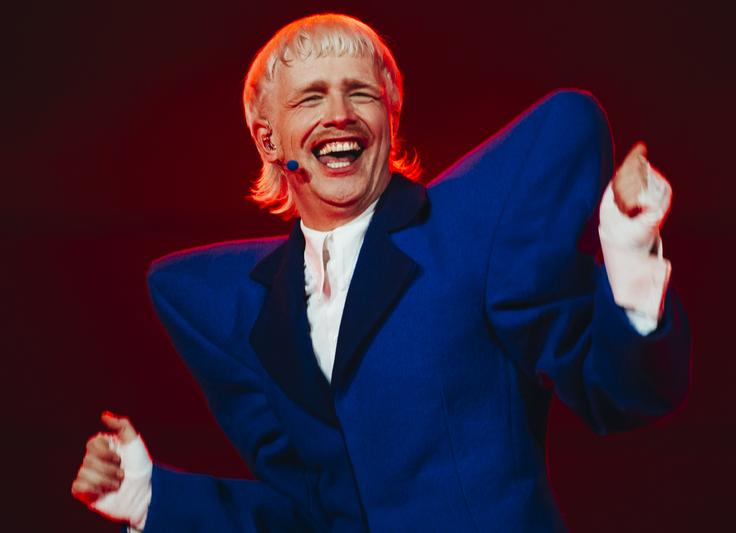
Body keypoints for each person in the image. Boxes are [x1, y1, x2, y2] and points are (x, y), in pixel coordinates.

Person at [71, 13, 690, 532]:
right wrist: (154, 499)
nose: (339, 114)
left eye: (360, 92)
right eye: (311, 97)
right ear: (267, 139)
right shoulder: (235, 307)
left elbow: (619, 393)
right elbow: (313, 515)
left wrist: (629, 246)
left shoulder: (472, 230)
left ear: (390, 115)